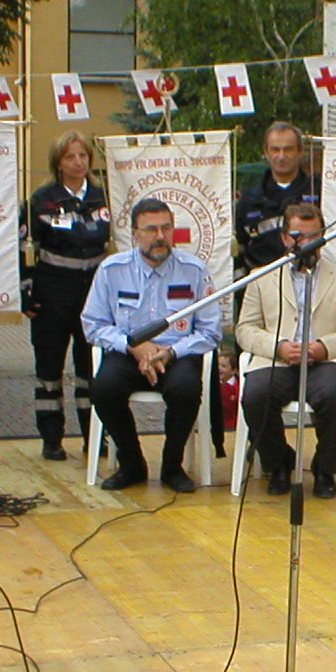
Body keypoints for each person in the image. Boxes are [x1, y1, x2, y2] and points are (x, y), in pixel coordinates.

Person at [81, 198, 221, 493]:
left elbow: (210, 331)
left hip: (177, 352)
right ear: (134, 234)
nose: (160, 236)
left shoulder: (194, 270)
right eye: (151, 229)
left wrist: (170, 352)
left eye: (166, 228)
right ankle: (132, 463)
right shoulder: (112, 270)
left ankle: (172, 466)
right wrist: (133, 346)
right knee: (103, 389)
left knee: (186, 389)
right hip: (128, 352)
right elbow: (93, 324)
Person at [237, 201, 336, 499]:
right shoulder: (261, 276)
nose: (306, 243)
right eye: (298, 236)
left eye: (313, 236)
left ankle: (324, 466)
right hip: (278, 360)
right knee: (255, 395)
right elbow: (244, 329)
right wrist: (279, 347)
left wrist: (325, 347)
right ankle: (279, 462)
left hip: (325, 361)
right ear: (285, 238)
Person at [24, 131, 109, 460]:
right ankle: (51, 437)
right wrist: (26, 291)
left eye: (83, 156)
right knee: (49, 367)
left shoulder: (103, 199)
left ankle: (94, 435)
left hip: (92, 290)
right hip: (53, 288)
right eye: (71, 157)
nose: (78, 162)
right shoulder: (42, 200)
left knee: (90, 367)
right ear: (58, 162)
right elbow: (26, 249)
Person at [233, 121, 320, 273]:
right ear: (266, 153)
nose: (281, 156)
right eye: (275, 150)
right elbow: (239, 251)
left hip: (310, 282)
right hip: (262, 285)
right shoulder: (249, 200)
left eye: (288, 149)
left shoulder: (319, 193)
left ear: (300, 151)